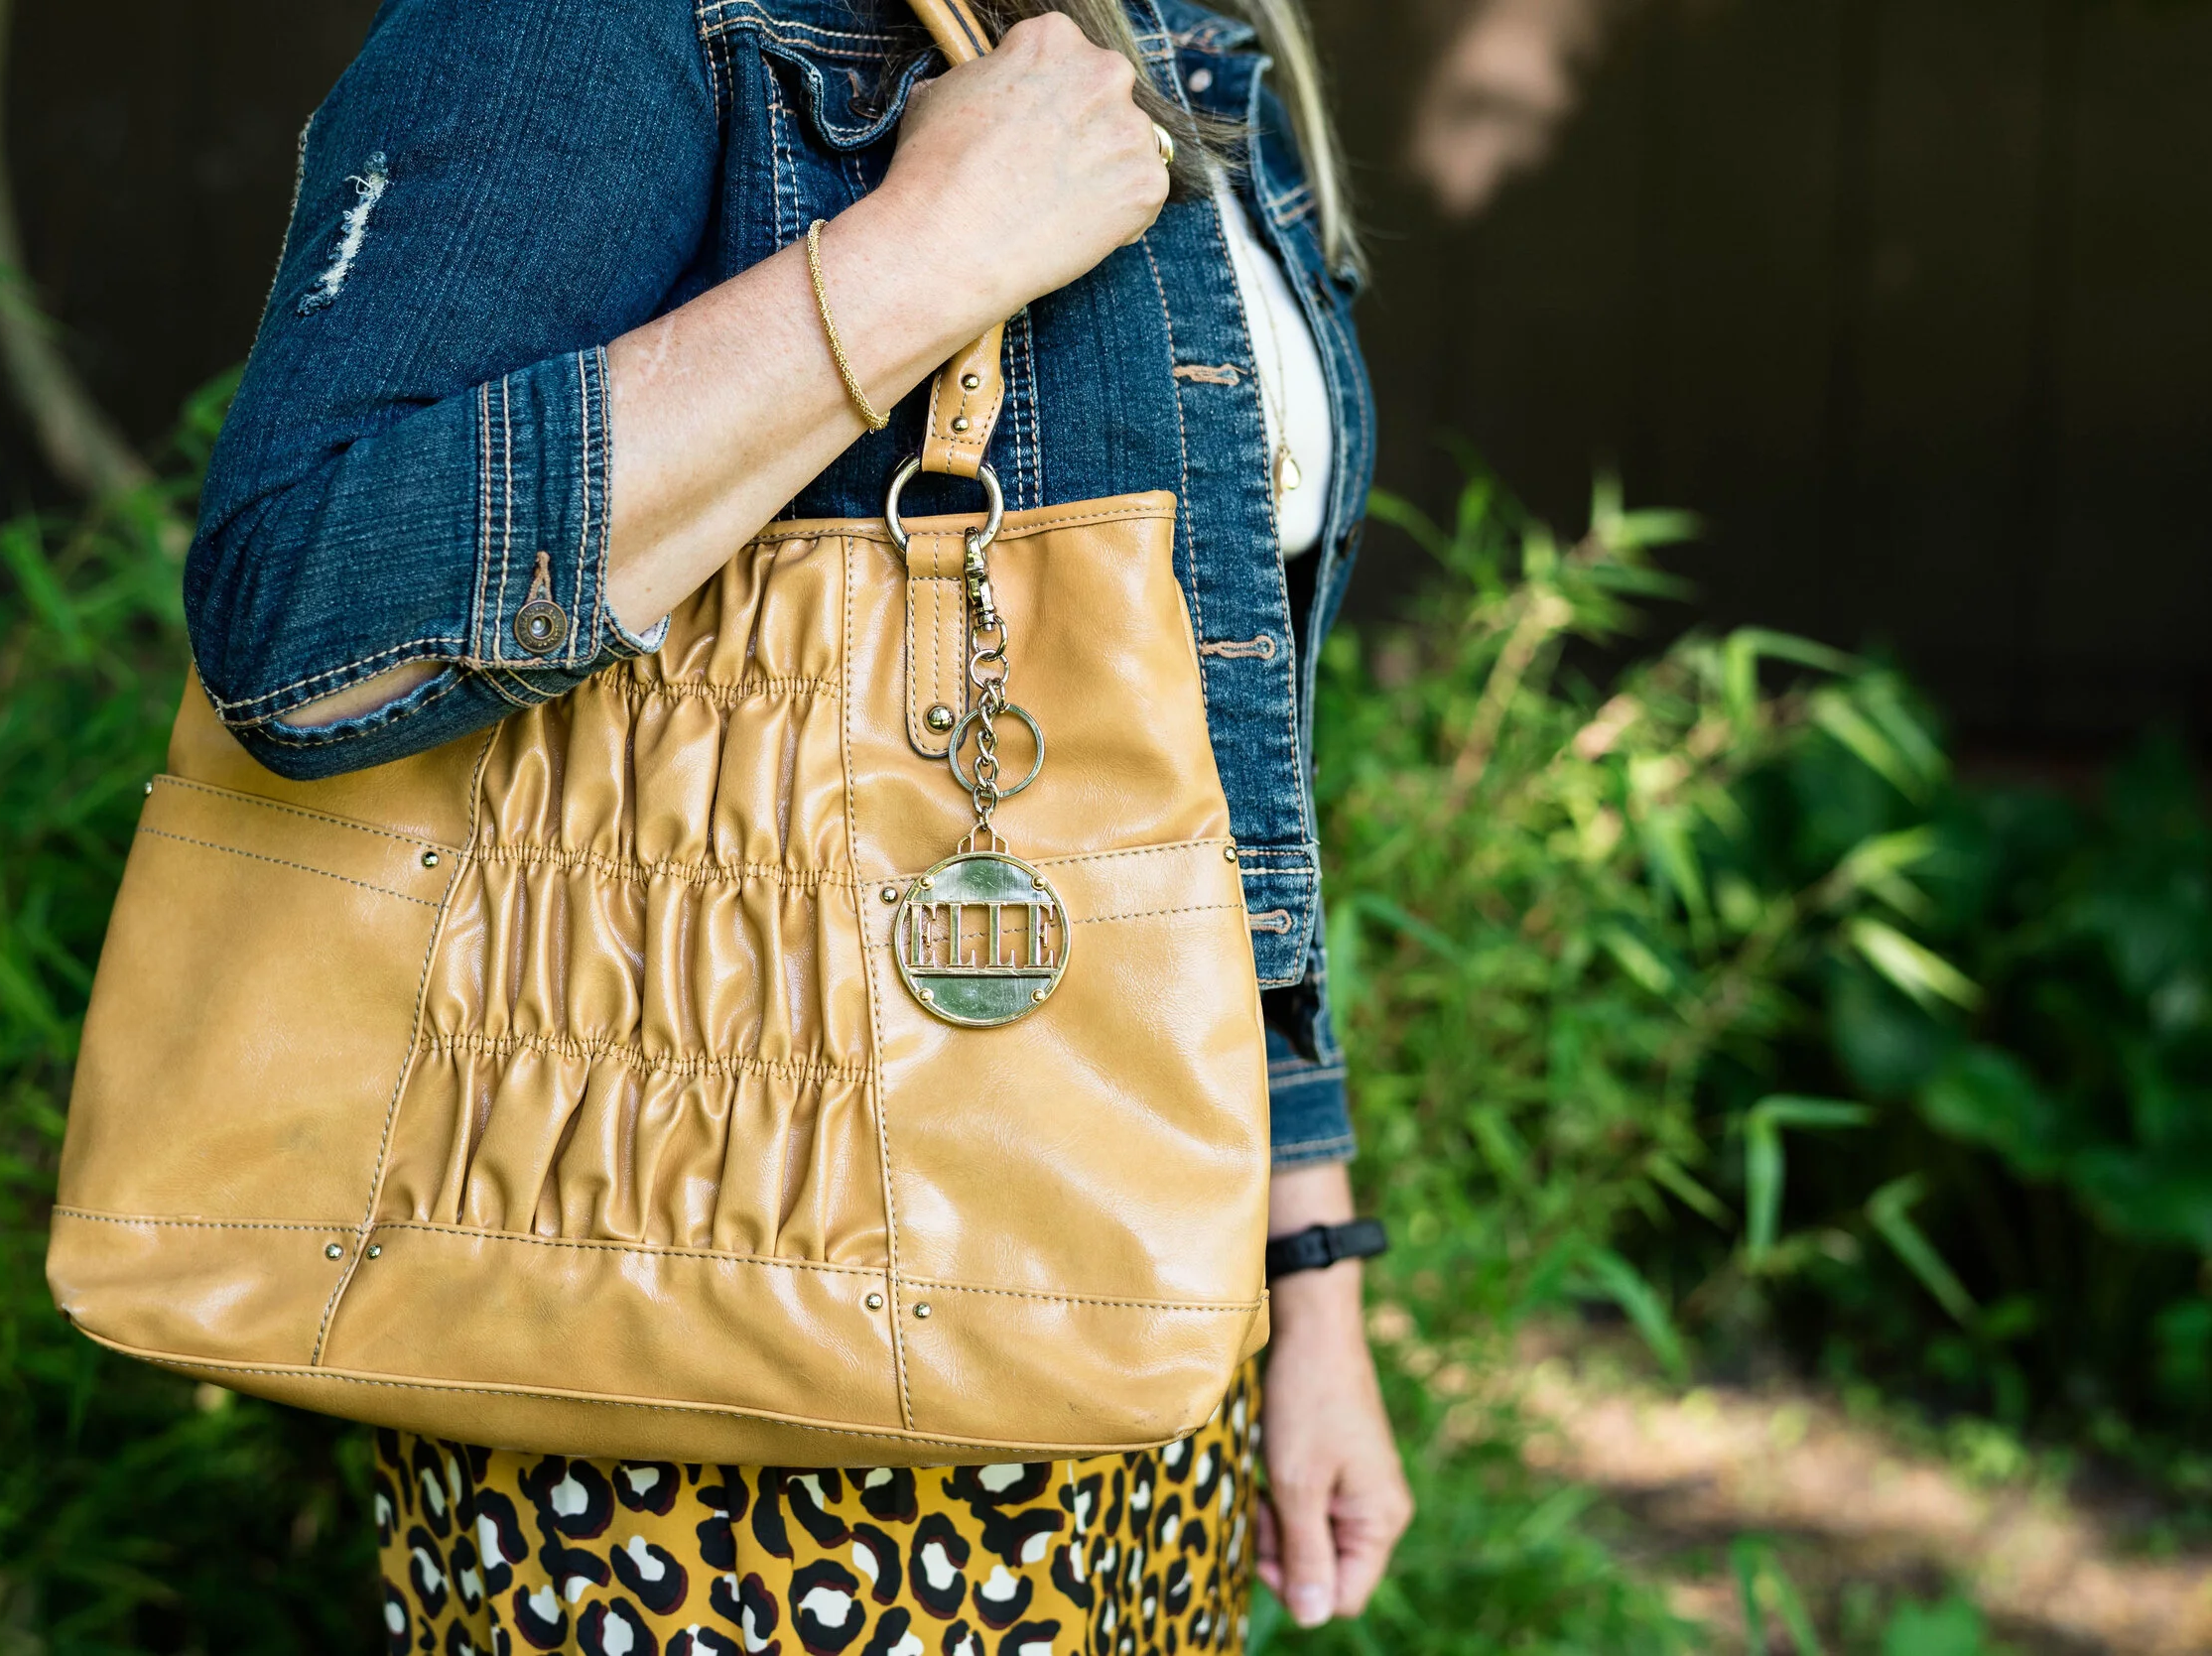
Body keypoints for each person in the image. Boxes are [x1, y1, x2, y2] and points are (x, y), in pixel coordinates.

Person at [185, 1, 1410, 1648]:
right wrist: (924, 261)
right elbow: (304, 615)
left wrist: (1307, 1279)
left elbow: (1221, 756)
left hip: (1117, 1297)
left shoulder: (1182, 26)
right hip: (691, 1316)